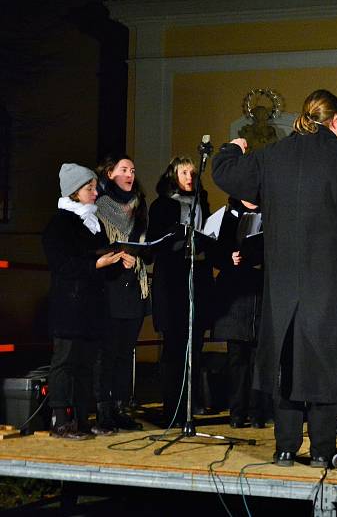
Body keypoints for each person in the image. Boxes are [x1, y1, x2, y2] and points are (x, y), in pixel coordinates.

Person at [212, 89, 337, 467]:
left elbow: (225, 174)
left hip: (284, 284)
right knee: (328, 362)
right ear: (335, 121)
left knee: (286, 363)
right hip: (333, 284)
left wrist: (233, 147)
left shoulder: (274, 155)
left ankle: (285, 447)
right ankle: (322, 449)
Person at [42, 163, 126, 439]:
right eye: (89, 188)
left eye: (94, 187)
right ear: (74, 192)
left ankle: (82, 418)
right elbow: (63, 264)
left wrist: (117, 261)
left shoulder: (93, 221)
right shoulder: (60, 223)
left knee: (86, 363)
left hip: (91, 306)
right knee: (65, 361)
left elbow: (99, 261)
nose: (95, 192)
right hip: (70, 305)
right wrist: (97, 263)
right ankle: (59, 419)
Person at [147, 156, 214, 425]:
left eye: (193, 173)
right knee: (174, 346)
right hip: (173, 282)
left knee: (194, 344)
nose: (189, 177)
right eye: (184, 172)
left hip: (197, 279)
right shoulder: (162, 205)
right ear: (173, 175)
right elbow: (154, 243)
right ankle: (172, 405)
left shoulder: (202, 204)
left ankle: (191, 401)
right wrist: (176, 237)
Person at [93, 154, 148, 432]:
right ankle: (103, 409)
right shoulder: (98, 205)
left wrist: (137, 255)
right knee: (108, 351)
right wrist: (117, 254)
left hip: (134, 284)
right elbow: (94, 244)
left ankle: (120, 407)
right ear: (110, 173)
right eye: (124, 169)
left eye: (133, 169)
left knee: (126, 351)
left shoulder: (139, 205)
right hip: (109, 284)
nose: (130, 174)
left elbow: (146, 244)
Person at [211, 197, 271, 429]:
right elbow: (214, 251)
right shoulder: (228, 216)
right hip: (235, 293)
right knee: (237, 357)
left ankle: (258, 412)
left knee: (259, 357)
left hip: (260, 291)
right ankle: (237, 412)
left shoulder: (269, 211)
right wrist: (229, 257)